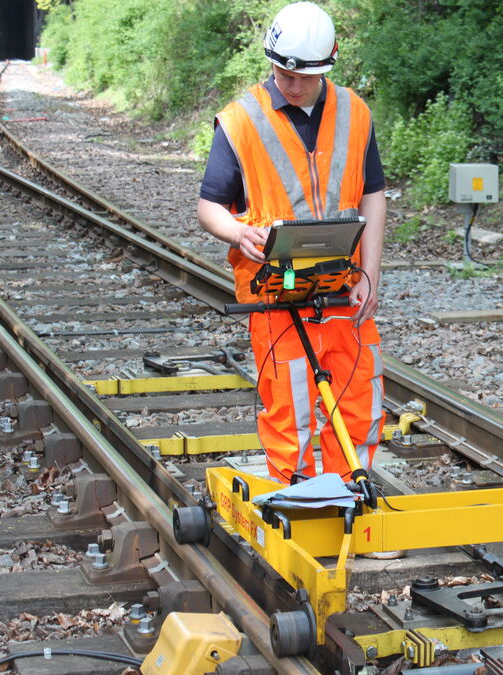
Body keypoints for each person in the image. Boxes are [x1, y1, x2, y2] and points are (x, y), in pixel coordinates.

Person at [197, 1, 387, 485]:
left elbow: (372, 195)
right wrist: (239, 231)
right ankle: (299, 503)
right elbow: (209, 208)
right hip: (275, 293)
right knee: (290, 412)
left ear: (331, 62)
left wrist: (374, 273)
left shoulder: (355, 113)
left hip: (345, 287)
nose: (294, 84)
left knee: (359, 398)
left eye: (305, 76)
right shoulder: (240, 121)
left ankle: (353, 497)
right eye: (284, 74)